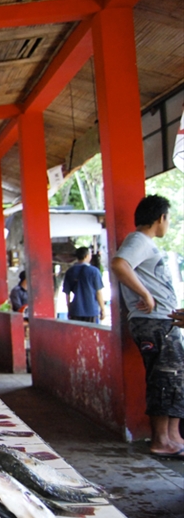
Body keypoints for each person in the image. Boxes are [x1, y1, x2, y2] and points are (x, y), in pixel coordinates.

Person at [111, 195, 184, 459]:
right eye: (169, 218)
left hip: (163, 322)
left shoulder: (144, 243)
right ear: (161, 218)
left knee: (173, 378)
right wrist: (147, 295)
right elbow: (119, 264)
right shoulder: (138, 240)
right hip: (155, 324)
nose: (169, 224)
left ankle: (173, 437)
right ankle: (162, 440)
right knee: (164, 379)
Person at [63, 246, 105, 323]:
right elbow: (98, 292)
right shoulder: (94, 271)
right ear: (86, 256)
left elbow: (67, 294)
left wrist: (69, 309)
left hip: (75, 310)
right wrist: (103, 309)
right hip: (91, 310)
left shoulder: (69, 272)